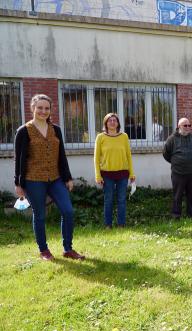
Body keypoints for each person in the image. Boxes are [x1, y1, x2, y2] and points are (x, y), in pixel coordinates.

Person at [14, 94, 85, 261]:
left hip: (55, 179)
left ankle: (68, 249)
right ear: (33, 108)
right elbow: (19, 159)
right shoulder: (23, 131)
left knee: (67, 211)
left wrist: (67, 178)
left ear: (50, 110)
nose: (43, 111)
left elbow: (62, 156)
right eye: (39, 107)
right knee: (39, 215)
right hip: (33, 180)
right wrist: (18, 183)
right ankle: (44, 250)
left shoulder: (56, 130)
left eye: (46, 108)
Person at [94, 113, 136, 229]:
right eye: (110, 120)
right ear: (106, 123)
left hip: (123, 173)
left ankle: (121, 224)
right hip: (107, 174)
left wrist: (132, 173)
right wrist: (98, 176)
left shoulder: (124, 137)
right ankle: (108, 225)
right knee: (108, 200)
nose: (112, 122)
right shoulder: (101, 137)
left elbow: (128, 156)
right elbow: (96, 158)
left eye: (115, 120)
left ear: (118, 123)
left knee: (121, 200)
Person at [163, 117, 192, 219]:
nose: (187, 127)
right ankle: (176, 215)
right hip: (178, 172)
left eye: (189, 125)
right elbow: (166, 153)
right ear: (179, 127)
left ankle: (191, 214)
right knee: (177, 195)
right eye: (185, 125)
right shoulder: (172, 139)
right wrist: (175, 162)